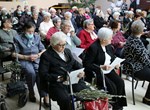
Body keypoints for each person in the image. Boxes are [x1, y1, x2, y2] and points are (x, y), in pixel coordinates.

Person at [39, 31, 87, 110]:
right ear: (53, 44)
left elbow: (75, 63)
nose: (63, 47)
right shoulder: (46, 55)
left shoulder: (67, 51)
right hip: (56, 83)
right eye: (61, 45)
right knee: (66, 100)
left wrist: (81, 71)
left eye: (65, 44)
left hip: (72, 80)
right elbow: (43, 74)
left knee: (86, 92)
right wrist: (60, 78)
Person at [83, 27, 127, 110]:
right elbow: (86, 64)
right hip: (98, 72)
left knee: (120, 82)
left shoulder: (108, 46)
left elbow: (112, 57)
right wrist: (100, 66)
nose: (112, 39)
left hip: (108, 70)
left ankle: (119, 106)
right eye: (110, 38)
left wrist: (116, 63)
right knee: (112, 87)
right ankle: (111, 105)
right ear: (103, 40)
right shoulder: (94, 47)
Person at [12, 22, 46, 103]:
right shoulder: (17, 38)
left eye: (32, 31)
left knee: (41, 73)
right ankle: (31, 92)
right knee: (31, 73)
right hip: (24, 59)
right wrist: (26, 57)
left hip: (37, 59)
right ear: (24, 30)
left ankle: (44, 95)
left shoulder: (37, 37)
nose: (31, 33)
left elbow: (43, 49)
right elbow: (13, 54)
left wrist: (38, 55)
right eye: (29, 31)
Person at [122, 20, 150, 106]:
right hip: (134, 68)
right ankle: (147, 98)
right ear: (142, 31)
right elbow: (145, 60)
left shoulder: (132, 37)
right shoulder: (136, 42)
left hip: (136, 64)